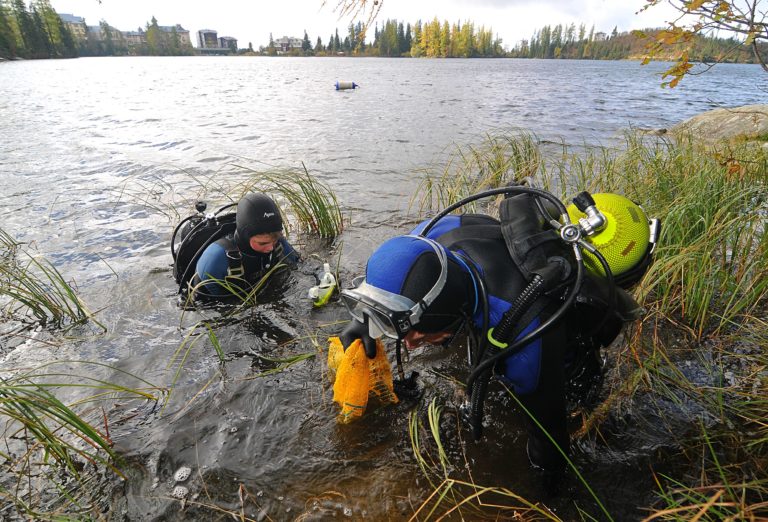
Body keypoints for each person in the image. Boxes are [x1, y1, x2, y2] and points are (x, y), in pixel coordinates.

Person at [338, 189, 656, 489]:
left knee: (578, 391)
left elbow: (549, 438)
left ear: (452, 312)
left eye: (417, 333)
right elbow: (395, 272)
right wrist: (363, 322)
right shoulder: (428, 241)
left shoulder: (528, 341)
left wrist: (549, 488)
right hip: (492, 275)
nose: (408, 343)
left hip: (556, 327)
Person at [193, 193, 299, 299]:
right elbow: (204, 306)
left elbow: (300, 267)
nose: (271, 248)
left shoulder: (277, 242)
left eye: (275, 240)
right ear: (245, 237)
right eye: (262, 243)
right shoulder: (215, 259)